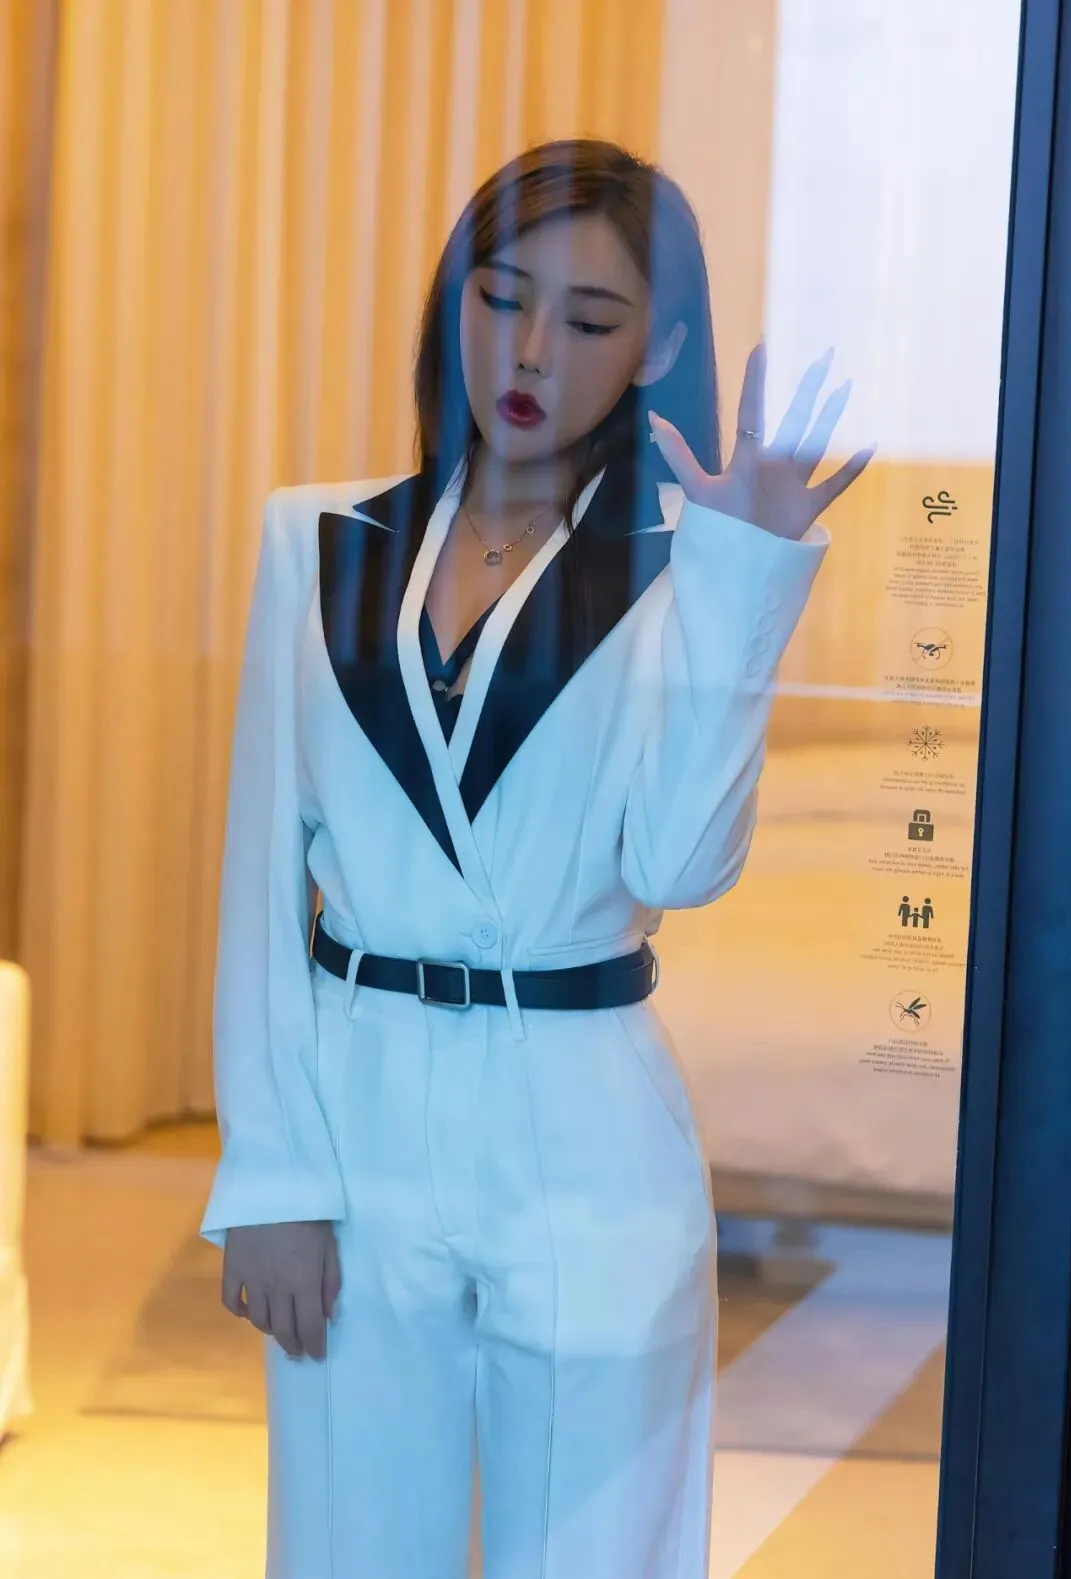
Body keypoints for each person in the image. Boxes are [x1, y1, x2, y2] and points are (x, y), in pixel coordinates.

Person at [199, 138, 873, 1579]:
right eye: (502, 298)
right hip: (361, 1112)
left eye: (588, 319)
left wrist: (745, 581)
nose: (528, 352)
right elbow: (259, 887)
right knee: (350, 1549)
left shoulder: (685, 563)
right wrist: (269, 1175)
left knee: (595, 1552)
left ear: (659, 349)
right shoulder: (316, 541)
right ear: (456, 298)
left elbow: (680, 864)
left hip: (585, 1128)